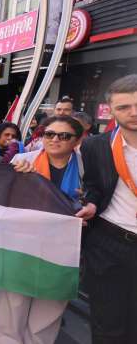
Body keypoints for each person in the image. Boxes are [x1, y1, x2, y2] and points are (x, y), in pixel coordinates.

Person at [0, 115, 85, 344]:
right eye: (49, 134)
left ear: (77, 140)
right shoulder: (22, 159)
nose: (55, 139)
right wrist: (16, 177)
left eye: (64, 136)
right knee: (13, 299)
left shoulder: (87, 165)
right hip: (23, 240)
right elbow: (2, 197)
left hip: (64, 244)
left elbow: (97, 197)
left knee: (51, 303)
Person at [77, 75, 137, 343]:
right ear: (110, 110)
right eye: (124, 107)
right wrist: (91, 202)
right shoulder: (95, 146)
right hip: (110, 242)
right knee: (107, 323)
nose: (133, 113)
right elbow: (94, 185)